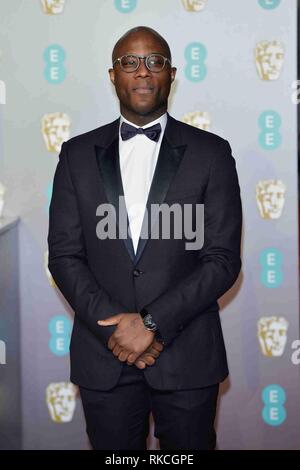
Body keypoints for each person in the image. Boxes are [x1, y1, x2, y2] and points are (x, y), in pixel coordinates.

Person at [48, 25, 242, 450]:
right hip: (105, 357)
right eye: (130, 63)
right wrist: (119, 331)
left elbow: (222, 259)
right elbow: (64, 256)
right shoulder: (76, 154)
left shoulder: (212, 153)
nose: (142, 72)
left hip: (188, 354)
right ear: (113, 74)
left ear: (171, 74)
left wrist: (151, 323)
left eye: (154, 61)